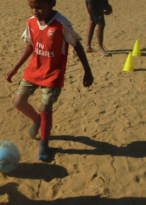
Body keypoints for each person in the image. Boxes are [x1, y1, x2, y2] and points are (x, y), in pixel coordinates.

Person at [5, 0, 93, 161]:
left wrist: (87, 71)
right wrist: (15, 68)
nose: (34, 11)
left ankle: (44, 145)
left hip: (53, 74)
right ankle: (37, 120)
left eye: (39, 7)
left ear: (51, 3)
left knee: (45, 108)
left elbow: (77, 45)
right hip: (33, 70)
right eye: (31, 7)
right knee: (18, 102)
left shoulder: (62, 24)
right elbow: (30, 45)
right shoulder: (31, 22)